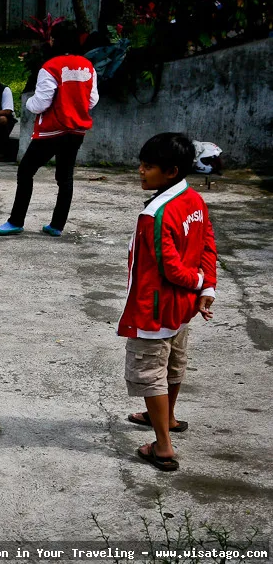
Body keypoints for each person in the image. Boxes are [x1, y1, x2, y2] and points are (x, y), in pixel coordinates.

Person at [120, 133, 217, 472]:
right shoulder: (194, 199)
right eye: (141, 164)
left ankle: (162, 446)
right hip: (182, 308)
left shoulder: (155, 214)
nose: (140, 171)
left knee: (150, 372)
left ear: (171, 171)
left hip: (154, 308)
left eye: (149, 167)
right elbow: (207, 245)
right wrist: (207, 289)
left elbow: (171, 268)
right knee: (174, 363)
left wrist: (200, 282)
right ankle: (167, 417)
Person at [0, 24, 97, 237]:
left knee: (26, 171)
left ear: (55, 41)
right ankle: (56, 225)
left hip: (51, 130)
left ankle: (16, 221)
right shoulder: (87, 66)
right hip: (76, 131)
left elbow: (41, 103)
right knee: (65, 177)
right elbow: (92, 100)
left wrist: (28, 104)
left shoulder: (51, 66)